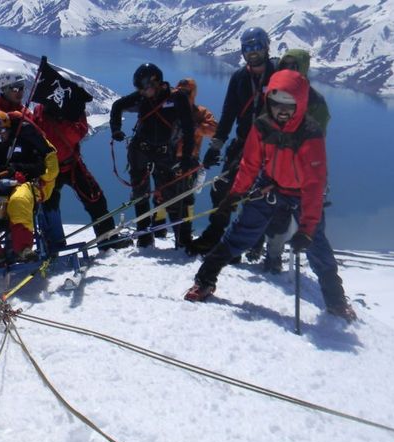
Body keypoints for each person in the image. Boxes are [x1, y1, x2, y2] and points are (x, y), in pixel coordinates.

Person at [183, 69, 357, 323]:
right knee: (240, 234)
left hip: (302, 194)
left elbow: (313, 185)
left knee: (317, 246)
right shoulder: (262, 126)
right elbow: (250, 165)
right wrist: (233, 196)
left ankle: (336, 302)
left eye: (289, 104)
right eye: (277, 104)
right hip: (271, 187)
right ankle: (204, 281)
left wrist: (306, 229)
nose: (282, 110)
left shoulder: (310, 134)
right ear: (269, 102)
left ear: (300, 104)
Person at [188, 27, 277, 256]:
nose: (253, 52)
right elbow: (228, 115)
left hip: (274, 145)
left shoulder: (279, 73)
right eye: (248, 47)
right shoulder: (239, 78)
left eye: (257, 46)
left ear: (266, 46)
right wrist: (215, 146)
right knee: (222, 189)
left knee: (260, 194)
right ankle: (216, 236)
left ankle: (253, 242)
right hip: (245, 143)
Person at [109, 63, 197, 249]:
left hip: (164, 153)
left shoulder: (178, 97)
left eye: (143, 87)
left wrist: (186, 158)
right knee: (140, 195)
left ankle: (181, 239)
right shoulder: (143, 97)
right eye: (139, 88)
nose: (141, 92)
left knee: (171, 195)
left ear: (155, 82)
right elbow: (117, 106)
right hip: (140, 150)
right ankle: (144, 237)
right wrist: (116, 129)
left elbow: (189, 130)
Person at [261, 49, 332, 273]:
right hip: (278, 171)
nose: (289, 70)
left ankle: (333, 295)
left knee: (313, 232)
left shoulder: (316, 101)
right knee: (277, 220)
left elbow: (315, 139)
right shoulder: (274, 95)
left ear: (303, 68)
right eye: (285, 65)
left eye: (294, 66)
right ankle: (272, 258)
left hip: (305, 174)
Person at [0, 110, 58, 272]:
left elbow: (40, 166)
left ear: (8, 129)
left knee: (19, 200)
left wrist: (16, 169)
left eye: (0, 130)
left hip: (21, 185)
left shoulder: (23, 142)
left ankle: (23, 249)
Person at [33, 101, 130, 252]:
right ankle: (54, 245)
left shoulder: (73, 108)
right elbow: (39, 136)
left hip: (68, 165)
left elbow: (80, 133)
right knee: (49, 205)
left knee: (95, 199)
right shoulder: (42, 110)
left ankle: (107, 242)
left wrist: (61, 119)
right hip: (55, 166)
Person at [150, 78, 217, 240]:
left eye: (186, 92)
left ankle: (184, 232)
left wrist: (195, 127)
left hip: (187, 161)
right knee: (159, 194)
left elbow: (214, 129)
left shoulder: (200, 112)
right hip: (165, 159)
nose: (183, 96)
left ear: (192, 93)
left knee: (186, 198)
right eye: (180, 92)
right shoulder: (169, 108)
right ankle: (159, 229)